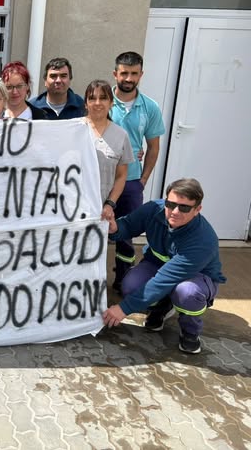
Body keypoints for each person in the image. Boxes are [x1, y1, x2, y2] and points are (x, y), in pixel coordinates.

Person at [102, 178, 226, 354]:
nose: (175, 211)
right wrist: (115, 228)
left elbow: (164, 280)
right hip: (157, 265)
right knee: (131, 285)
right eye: (170, 204)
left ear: (197, 209)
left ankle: (190, 332)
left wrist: (123, 308)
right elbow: (129, 225)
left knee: (187, 293)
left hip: (196, 277)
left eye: (184, 207)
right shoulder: (154, 209)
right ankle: (162, 308)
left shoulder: (203, 239)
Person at [109, 51, 165, 291]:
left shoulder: (150, 107)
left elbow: (153, 147)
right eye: (124, 73)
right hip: (100, 180)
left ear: (141, 74)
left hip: (131, 181)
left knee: (126, 234)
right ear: (115, 74)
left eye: (134, 73)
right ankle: (89, 281)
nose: (128, 78)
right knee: (93, 231)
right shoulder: (101, 101)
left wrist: (143, 180)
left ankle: (123, 279)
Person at [82, 80, 133, 220]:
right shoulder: (73, 130)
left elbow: (121, 176)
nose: (97, 103)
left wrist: (110, 204)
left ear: (111, 103)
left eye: (103, 98)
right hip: (70, 210)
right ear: (86, 104)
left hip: (101, 212)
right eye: (92, 98)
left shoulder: (121, 135)